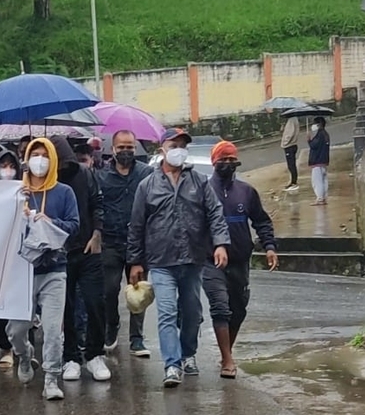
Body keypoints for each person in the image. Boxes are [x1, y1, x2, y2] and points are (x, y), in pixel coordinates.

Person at [127, 129, 230, 388]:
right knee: (167, 313)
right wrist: (136, 261)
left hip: (193, 259)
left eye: (183, 145)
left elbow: (215, 214)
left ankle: (188, 354)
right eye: (174, 145)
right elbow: (136, 225)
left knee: (193, 312)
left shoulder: (199, 182)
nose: (179, 150)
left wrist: (220, 244)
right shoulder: (146, 186)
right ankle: (171, 365)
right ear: (162, 148)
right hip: (161, 262)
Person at [7, 138, 80, 401]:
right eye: (34, 154)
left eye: (44, 154)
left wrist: (51, 222)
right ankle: (24, 355)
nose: (40, 160)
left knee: (52, 329)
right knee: (17, 329)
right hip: (22, 272)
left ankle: (51, 378)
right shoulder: (15, 192)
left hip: (54, 269)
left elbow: (74, 226)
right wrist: (16, 207)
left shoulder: (64, 192)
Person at [203, 141, 278, 379]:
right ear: (213, 162)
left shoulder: (246, 192)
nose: (226, 164)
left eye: (231, 160)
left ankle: (228, 350)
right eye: (222, 159)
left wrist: (269, 246)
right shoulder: (203, 191)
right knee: (220, 307)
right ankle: (227, 359)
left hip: (240, 260)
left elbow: (261, 221)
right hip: (210, 260)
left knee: (239, 308)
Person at [51, 136, 110, 382]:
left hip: (87, 248)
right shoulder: (43, 182)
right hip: (58, 253)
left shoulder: (85, 175)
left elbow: (98, 204)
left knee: (95, 302)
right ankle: (71, 357)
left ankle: (95, 354)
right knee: (66, 309)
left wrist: (97, 234)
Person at [97, 130, 153, 357]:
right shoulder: (101, 176)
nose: (126, 151)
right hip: (110, 243)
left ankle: (137, 339)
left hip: (139, 243)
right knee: (109, 291)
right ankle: (112, 326)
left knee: (138, 292)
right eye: (121, 147)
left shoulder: (147, 174)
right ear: (113, 149)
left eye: (130, 147)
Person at [0, 148, 22, 369]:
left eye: (11, 166)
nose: (7, 171)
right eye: (3, 166)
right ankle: (6, 348)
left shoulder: (27, 190)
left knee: (22, 304)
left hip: (21, 258)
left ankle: (23, 347)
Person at [309, 116, 331, 206]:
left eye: (315, 124)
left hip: (317, 161)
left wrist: (309, 140)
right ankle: (323, 197)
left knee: (317, 181)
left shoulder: (320, 135)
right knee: (323, 180)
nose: (313, 126)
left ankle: (320, 198)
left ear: (319, 124)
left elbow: (314, 145)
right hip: (323, 161)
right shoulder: (325, 134)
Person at [281, 116, 300, 192]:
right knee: (291, 165)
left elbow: (290, 133)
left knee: (291, 165)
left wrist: (285, 142)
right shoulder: (293, 119)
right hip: (292, 144)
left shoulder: (291, 120)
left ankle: (293, 183)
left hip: (289, 145)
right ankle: (292, 181)